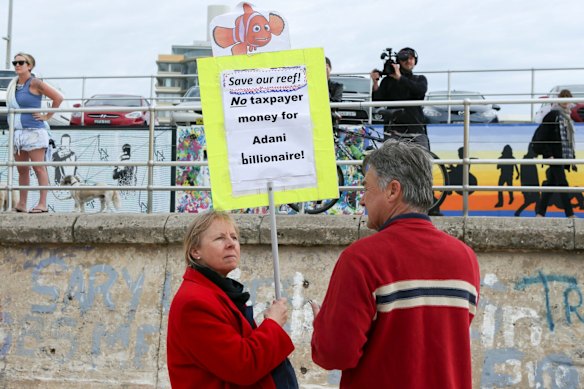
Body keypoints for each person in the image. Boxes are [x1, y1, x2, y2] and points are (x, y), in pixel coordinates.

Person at [310, 140, 480, 388]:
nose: (363, 201)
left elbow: (335, 353)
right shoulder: (466, 258)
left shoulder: (361, 259)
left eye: (367, 189)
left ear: (392, 190)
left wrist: (322, 328)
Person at [167, 210, 298, 389]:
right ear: (195, 251)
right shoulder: (195, 303)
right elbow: (243, 366)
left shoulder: (218, 292)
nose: (231, 244)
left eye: (234, 237)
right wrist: (272, 324)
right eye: (220, 238)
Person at [7, 52, 63, 213]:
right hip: (17, 132)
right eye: (15, 62)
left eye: (21, 62)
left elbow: (58, 98)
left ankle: (42, 204)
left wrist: (47, 116)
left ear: (29, 66)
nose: (17, 65)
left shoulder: (35, 82)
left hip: (34, 131)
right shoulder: (14, 84)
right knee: (22, 169)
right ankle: (22, 203)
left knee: (39, 168)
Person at [370, 47, 429, 150]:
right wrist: (375, 83)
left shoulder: (420, 79)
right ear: (399, 62)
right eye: (404, 59)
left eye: (411, 58)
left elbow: (419, 91)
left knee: (421, 161)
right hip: (393, 130)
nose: (408, 61)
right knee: (392, 163)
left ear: (415, 61)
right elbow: (377, 103)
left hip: (416, 128)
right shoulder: (388, 81)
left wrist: (400, 78)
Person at [535, 89, 577, 218]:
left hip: (562, 156)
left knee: (551, 183)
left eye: (568, 98)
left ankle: (540, 213)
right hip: (554, 156)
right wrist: (548, 154)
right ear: (559, 99)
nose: (565, 102)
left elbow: (568, 140)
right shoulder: (553, 114)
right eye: (563, 98)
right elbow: (543, 136)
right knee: (563, 184)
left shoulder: (568, 117)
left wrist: (572, 157)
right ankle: (570, 214)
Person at [326, 57, 343, 125]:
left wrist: (324, 80)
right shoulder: (311, 86)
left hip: (330, 121)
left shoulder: (338, 86)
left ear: (330, 68)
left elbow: (334, 106)